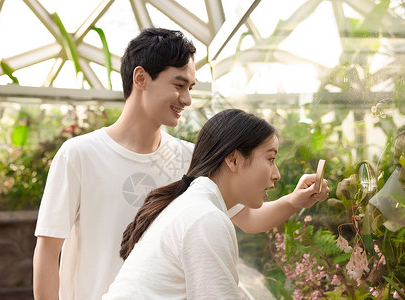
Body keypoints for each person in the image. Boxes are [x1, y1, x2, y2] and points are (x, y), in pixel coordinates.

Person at [33, 28, 329, 300]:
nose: (187, 99)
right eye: (179, 85)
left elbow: (249, 219)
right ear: (141, 78)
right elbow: (48, 253)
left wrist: (294, 201)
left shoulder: (189, 158)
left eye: (191, 87)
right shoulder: (79, 154)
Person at [102, 109, 324, 299]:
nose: (276, 174)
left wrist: (295, 201)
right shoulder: (205, 218)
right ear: (234, 159)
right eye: (270, 159)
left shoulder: (196, 203)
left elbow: (253, 221)